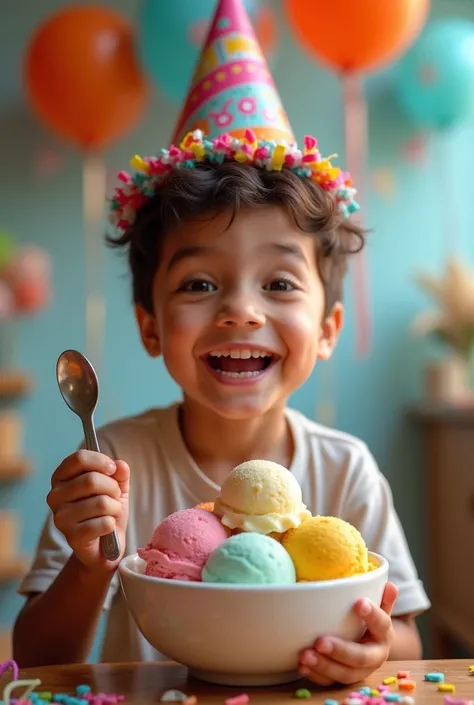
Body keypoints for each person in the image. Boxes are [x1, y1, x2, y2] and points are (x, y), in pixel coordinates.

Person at [12, 0, 430, 685]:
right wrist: (91, 565)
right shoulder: (112, 461)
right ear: (150, 323)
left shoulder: (345, 470)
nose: (239, 310)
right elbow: (36, 658)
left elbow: (406, 636)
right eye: (201, 283)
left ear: (328, 328)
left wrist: (374, 649)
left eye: (280, 283)